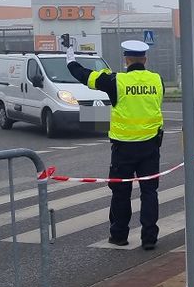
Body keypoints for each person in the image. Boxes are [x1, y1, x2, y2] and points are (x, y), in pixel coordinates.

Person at [67, 39, 164, 250]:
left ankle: (119, 235)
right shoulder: (157, 80)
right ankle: (149, 238)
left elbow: (86, 77)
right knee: (149, 192)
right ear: (145, 59)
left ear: (126, 59)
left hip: (124, 148)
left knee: (121, 193)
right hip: (150, 147)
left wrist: (71, 61)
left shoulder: (116, 81)